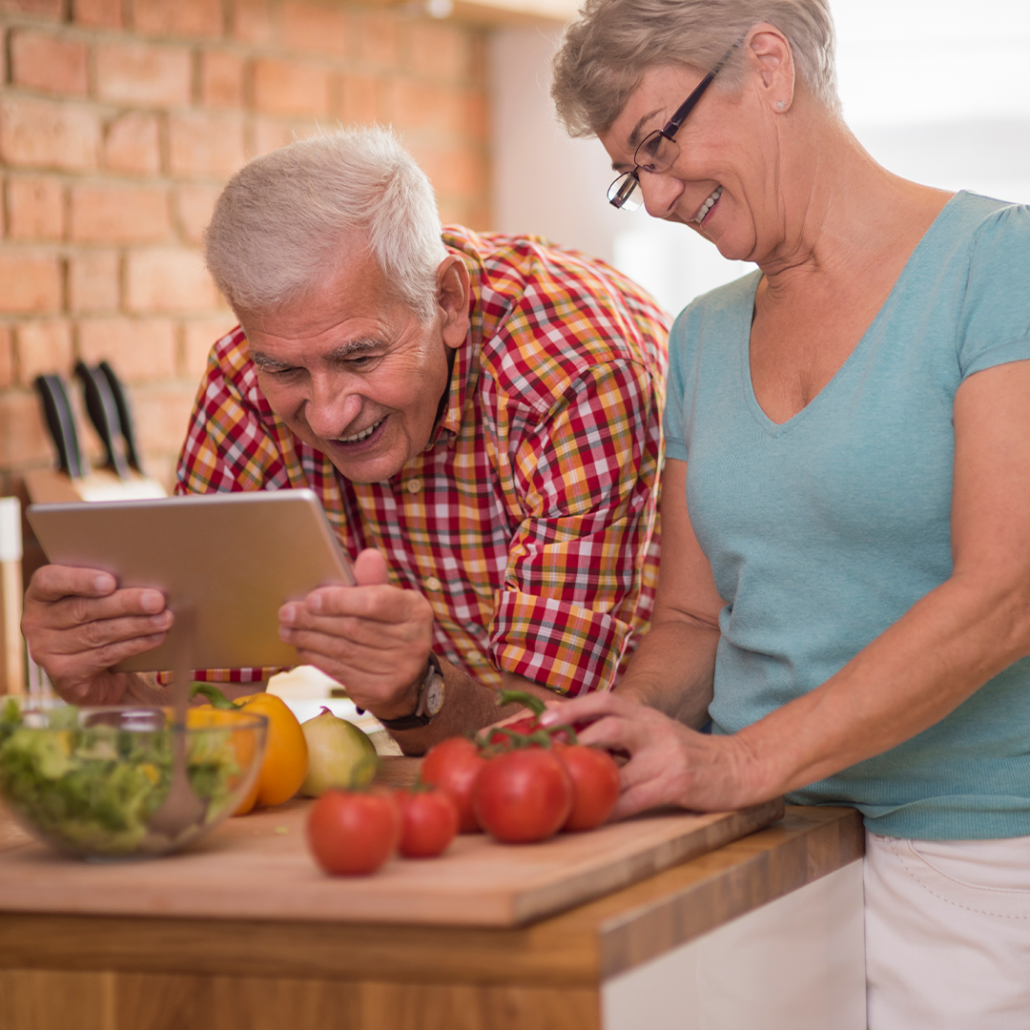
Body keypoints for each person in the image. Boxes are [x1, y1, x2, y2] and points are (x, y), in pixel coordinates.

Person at [546, 1, 1030, 1026]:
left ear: (767, 65)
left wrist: (742, 760)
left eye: (658, 144)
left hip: (978, 853)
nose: (658, 198)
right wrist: (621, 732)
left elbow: (1006, 596)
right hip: (762, 846)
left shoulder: (1001, 264)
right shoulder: (702, 336)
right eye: (633, 175)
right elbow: (692, 620)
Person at [21, 127, 669, 754]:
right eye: (285, 370)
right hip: (461, 747)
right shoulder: (243, 384)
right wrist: (116, 694)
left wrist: (416, 693)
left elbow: (552, 735)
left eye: (359, 357)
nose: (329, 418)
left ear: (448, 301)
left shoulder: (573, 372)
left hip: (666, 737)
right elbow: (211, 706)